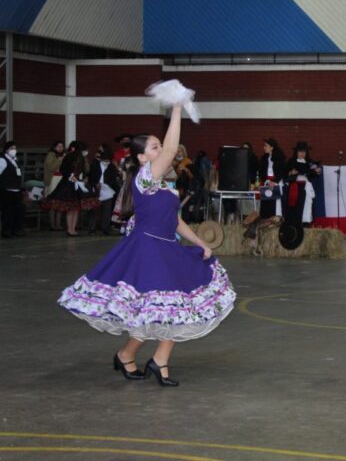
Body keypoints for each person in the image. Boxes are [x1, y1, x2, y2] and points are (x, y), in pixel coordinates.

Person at [58, 100, 236, 387]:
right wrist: (176, 109)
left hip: (167, 247)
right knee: (169, 308)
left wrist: (201, 242)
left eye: (158, 145)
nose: (160, 150)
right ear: (142, 158)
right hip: (148, 250)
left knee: (165, 309)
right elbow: (171, 150)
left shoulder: (163, 184)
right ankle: (155, 361)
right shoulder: (145, 177)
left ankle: (133, 356)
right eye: (153, 147)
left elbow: (176, 222)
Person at [42, 141, 100, 236]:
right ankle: (69, 229)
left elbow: (86, 170)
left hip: (78, 183)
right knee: (71, 207)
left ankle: (73, 229)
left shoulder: (82, 158)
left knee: (76, 208)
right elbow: (63, 169)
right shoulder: (69, 157)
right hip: (68, 184)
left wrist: (82, 176)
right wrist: (70, 175)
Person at [285, 141, 322, 226]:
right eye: (300, 151)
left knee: (307, 204)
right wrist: (291, 172)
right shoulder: (291, 161)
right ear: (296, 152)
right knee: (295, 205)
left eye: (304, 151)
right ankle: (295, 224)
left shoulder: (309, 162)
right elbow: (285, 174)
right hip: (295, 186)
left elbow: (314, 174)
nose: (302, 153)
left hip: (306, 186)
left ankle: (306, 223)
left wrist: (317, 171)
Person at [87, 144, 121, 235]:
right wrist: (95, 184)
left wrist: (107, 184)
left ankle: (105, 228)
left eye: (101, 151)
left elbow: (113, 178)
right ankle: (92, 228)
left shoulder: (111, 165)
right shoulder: (95, 163)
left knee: (107, 209)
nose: (99, 152)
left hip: (107, 189)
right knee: (94, 208)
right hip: (96, 188)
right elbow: (91, 175)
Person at [0, 141, 25, 238]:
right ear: (6, 150)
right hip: (6, 190)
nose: (14, 150)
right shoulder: (2, 160)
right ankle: (6, 231)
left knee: (18, 210)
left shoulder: (15, 160)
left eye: (15, 148)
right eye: (12, 148)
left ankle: (16, 229)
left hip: (16, 190)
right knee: (7, 211)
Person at [258, 138, 286, 220]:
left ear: (272, 147)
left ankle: (276, 220)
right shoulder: (264, 158)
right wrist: (267, 181)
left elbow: (282, 172)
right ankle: (266, 221)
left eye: (266, 146)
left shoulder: (280, 158)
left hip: (276, 183)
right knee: (266, 205)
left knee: (276, 205)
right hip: (267, 183)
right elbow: (261, 172)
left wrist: (274, 182)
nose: (264, 147)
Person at [44, 141, 65, 230]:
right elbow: (51, 167)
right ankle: (52, 225)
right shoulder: (51, 155)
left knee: (60, 203)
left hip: (61, 180)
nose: (61, 148)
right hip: (53, 180)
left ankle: (58, 224)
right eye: (59, 146)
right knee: (52, 204)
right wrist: (60, 160)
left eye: (62, 146)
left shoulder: (63, 155)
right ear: (54, 147)